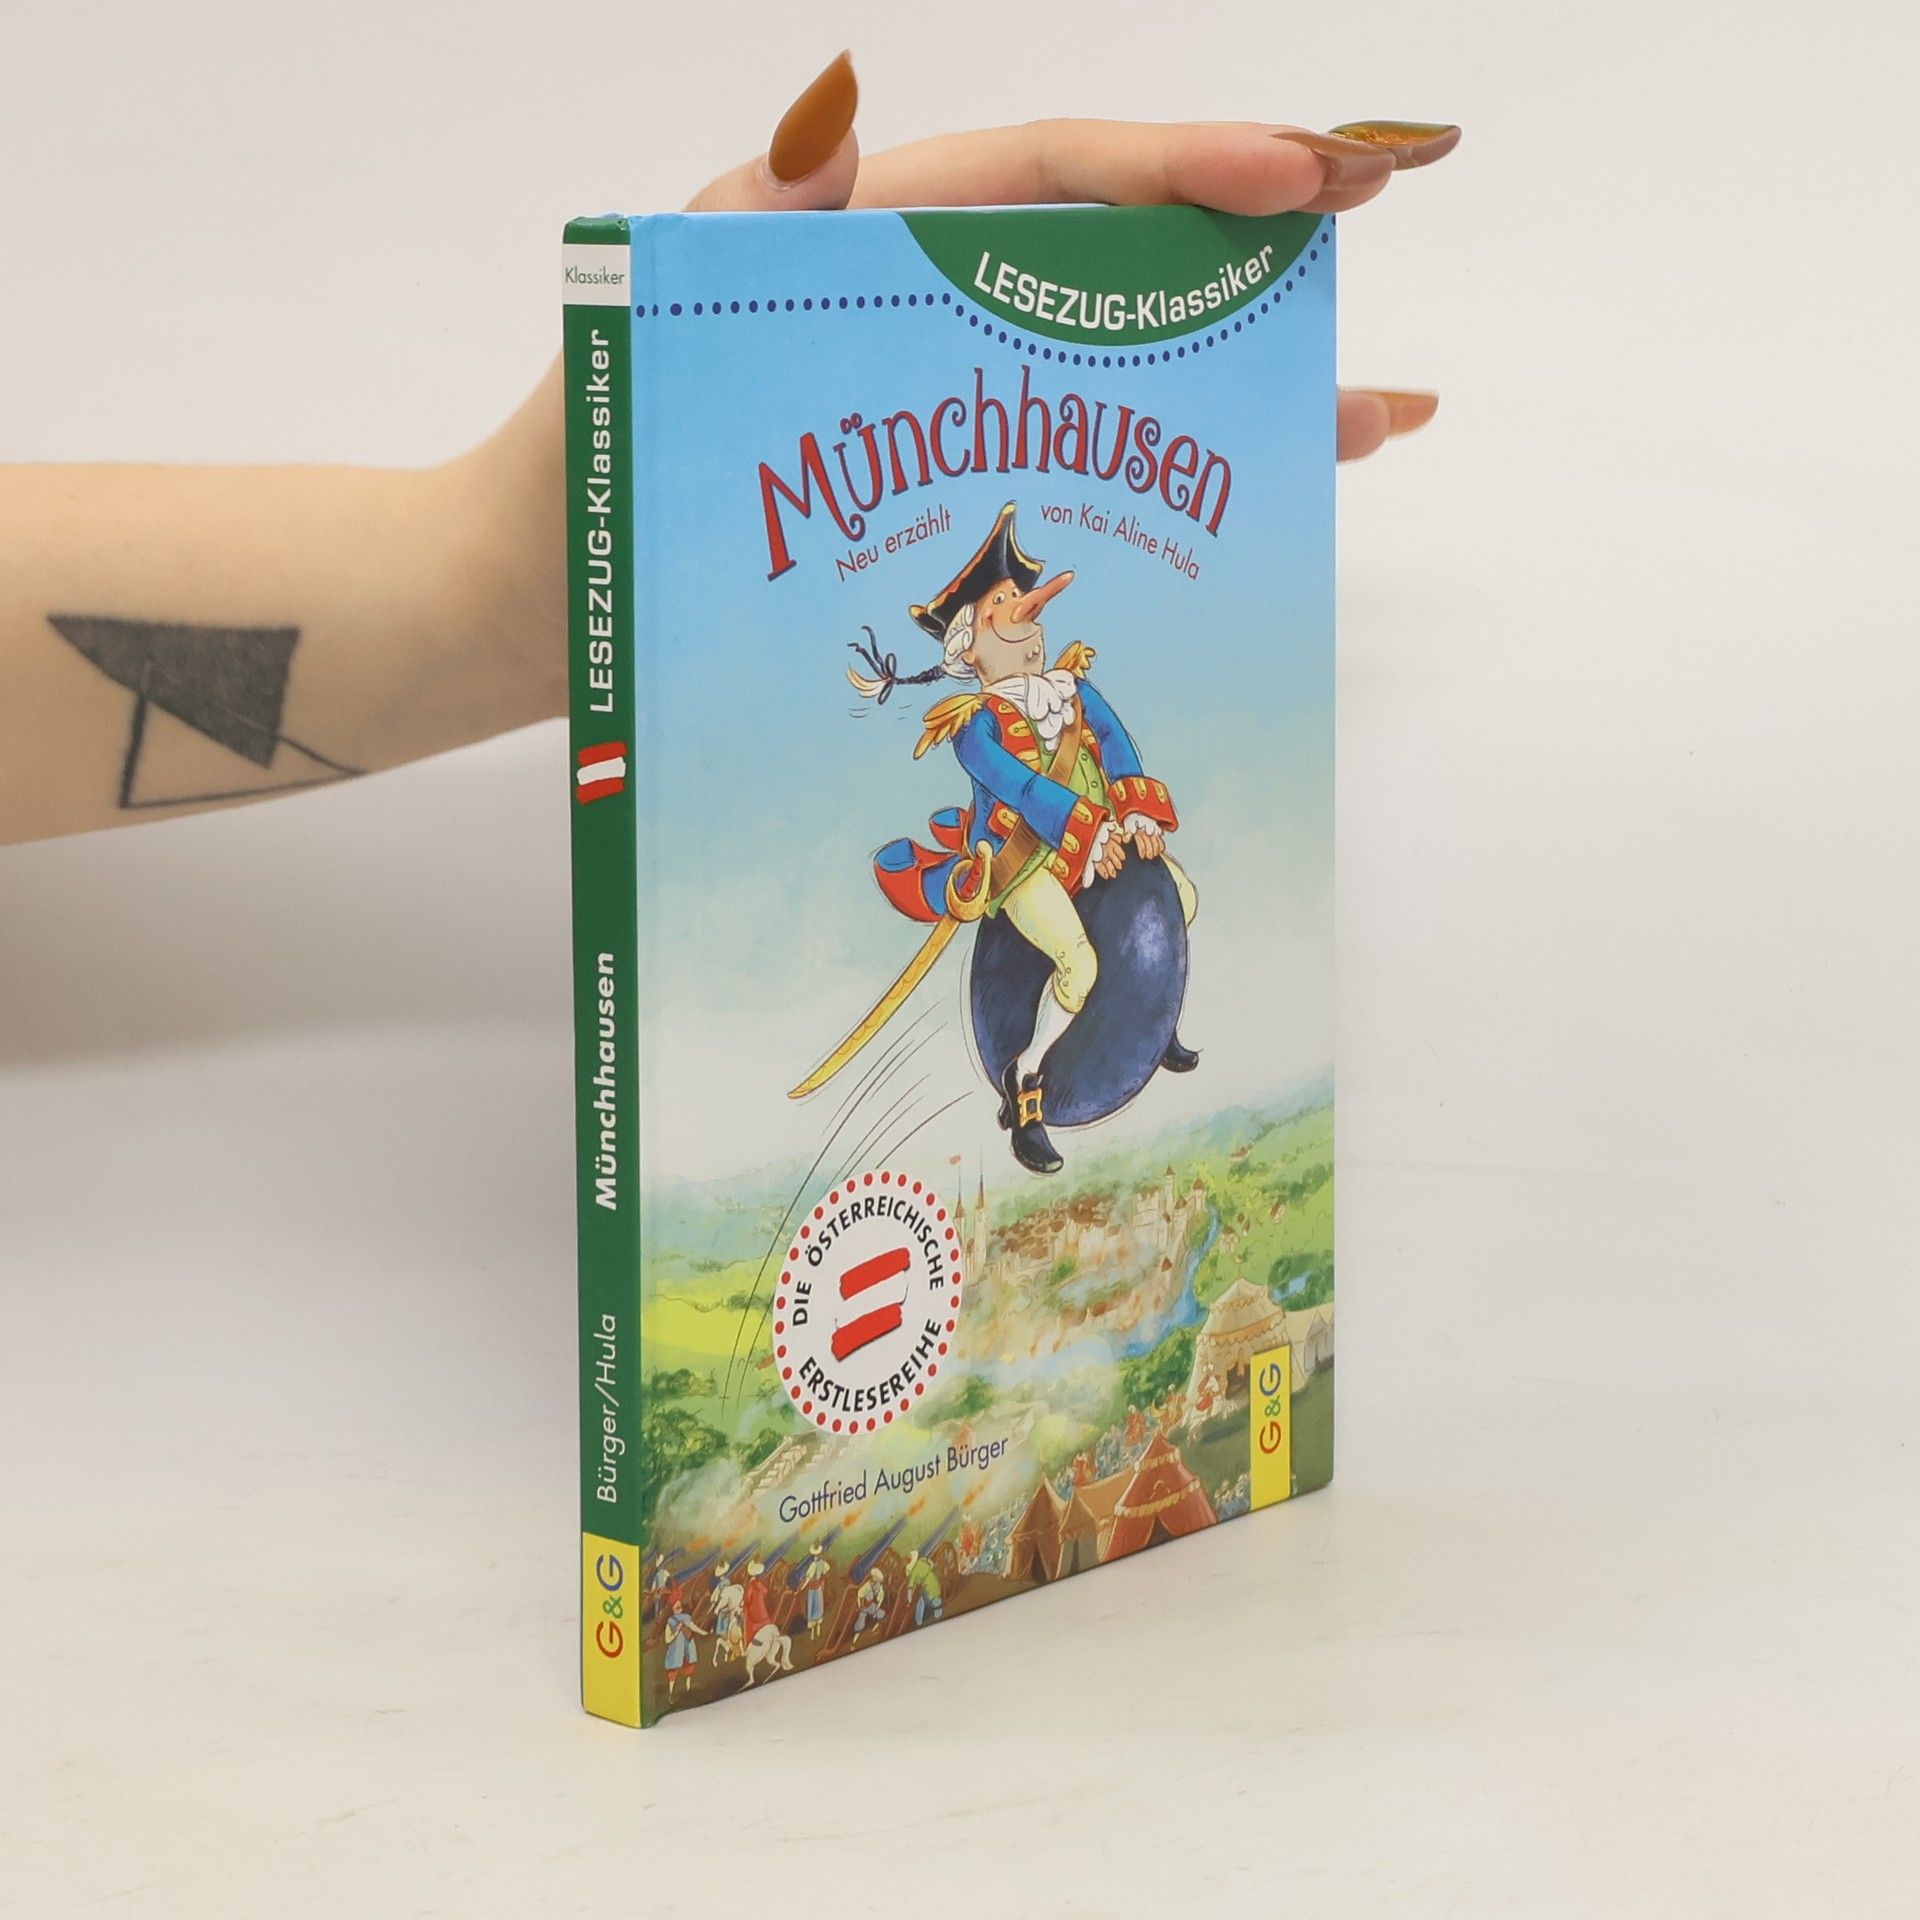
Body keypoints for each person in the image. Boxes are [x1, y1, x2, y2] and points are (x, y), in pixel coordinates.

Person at [0, 49, 1453, 850]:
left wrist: (520, 585)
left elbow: (1113, 737)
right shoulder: (975, 721)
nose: (1023, 615)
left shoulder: (1065, 682)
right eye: (1007, 605)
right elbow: (1012, 790)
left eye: (1023, 601)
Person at [904, 1549, 944, 1628]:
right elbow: (932, 1564)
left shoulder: (914, 1572)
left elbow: (910, 1587)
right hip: (933, 1582)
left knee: (922, 1601)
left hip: (927, 1587)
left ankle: (919, 1620)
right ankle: (938, 1614)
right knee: (935, 1598)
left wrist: (909, 1600)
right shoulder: (922, 1561)